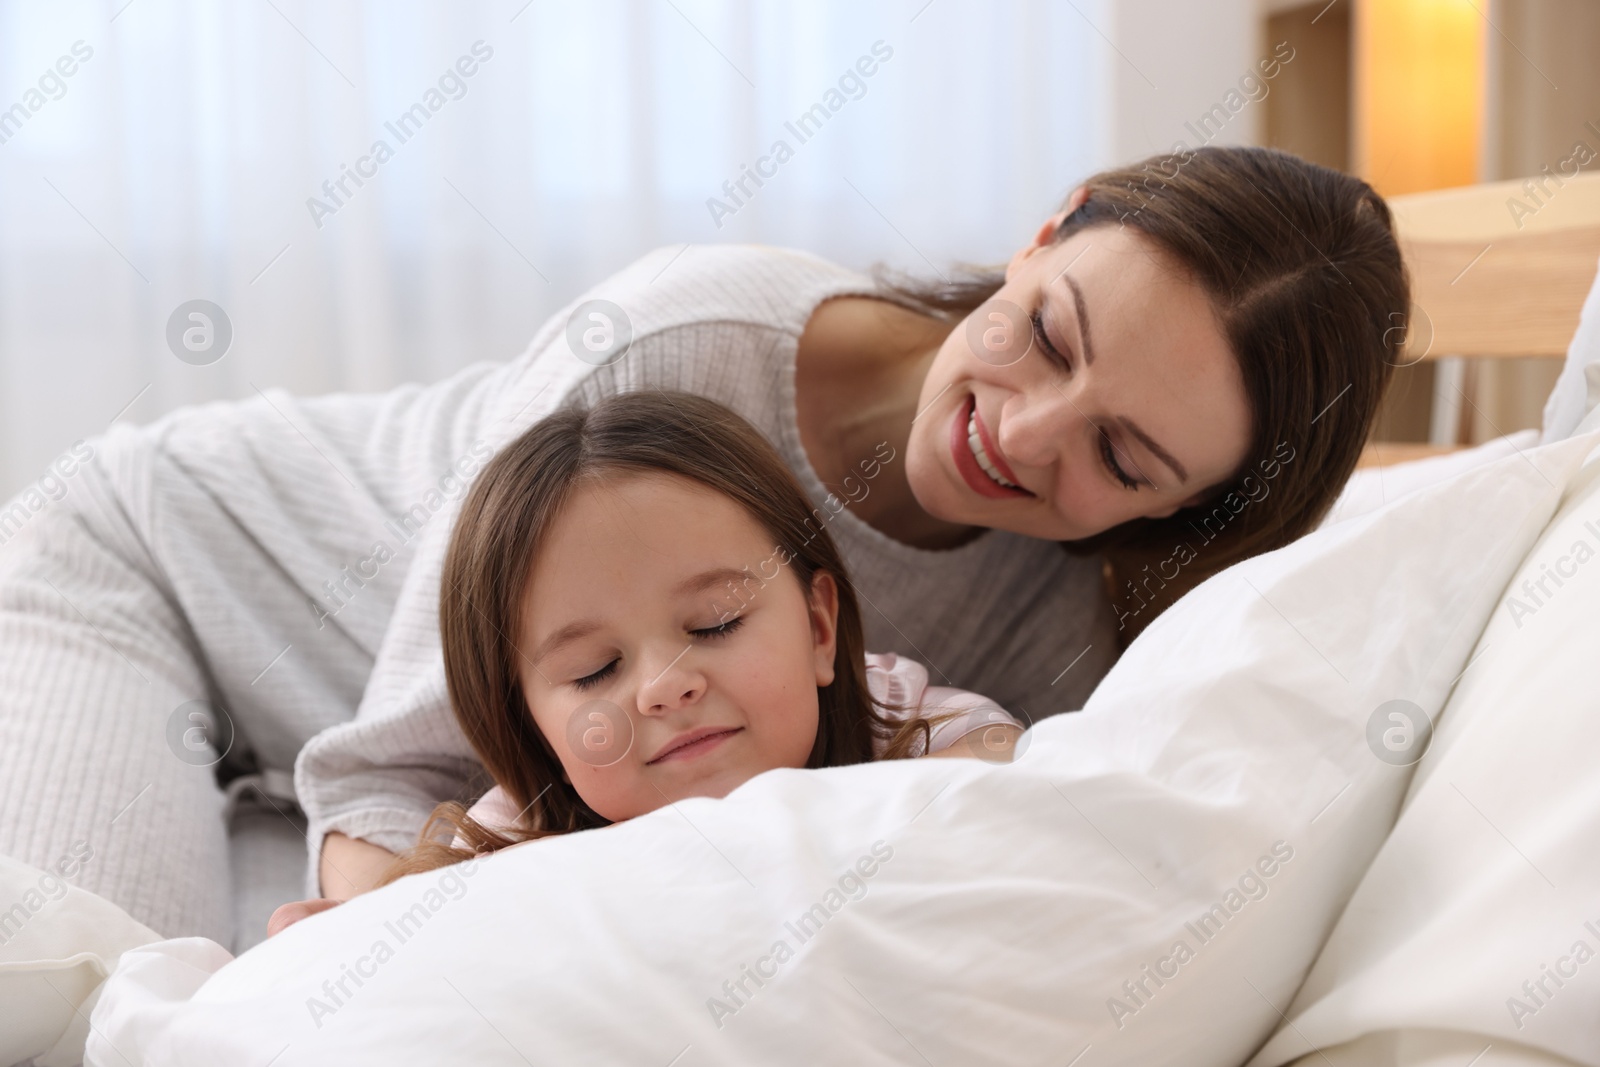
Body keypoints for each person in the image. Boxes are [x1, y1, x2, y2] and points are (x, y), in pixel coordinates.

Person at [0, 146, 1407, 941]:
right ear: (1044, 231)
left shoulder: (1073, 634)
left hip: (341, 731)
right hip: (157, 572)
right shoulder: (690, 345)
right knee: (68, 998)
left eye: (1122, 454)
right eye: (1045, 332)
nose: (1025, 434)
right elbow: (385, 771)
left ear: (1183, 510)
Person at [269, 392, 1023, 936]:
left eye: (716, 622)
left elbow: (1013, 791)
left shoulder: (920, 729)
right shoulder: (523, 833)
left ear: (820, 628)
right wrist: (357, 934)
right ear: (535, 729)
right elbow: (409, 930)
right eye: (596, 670)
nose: (666, 685)